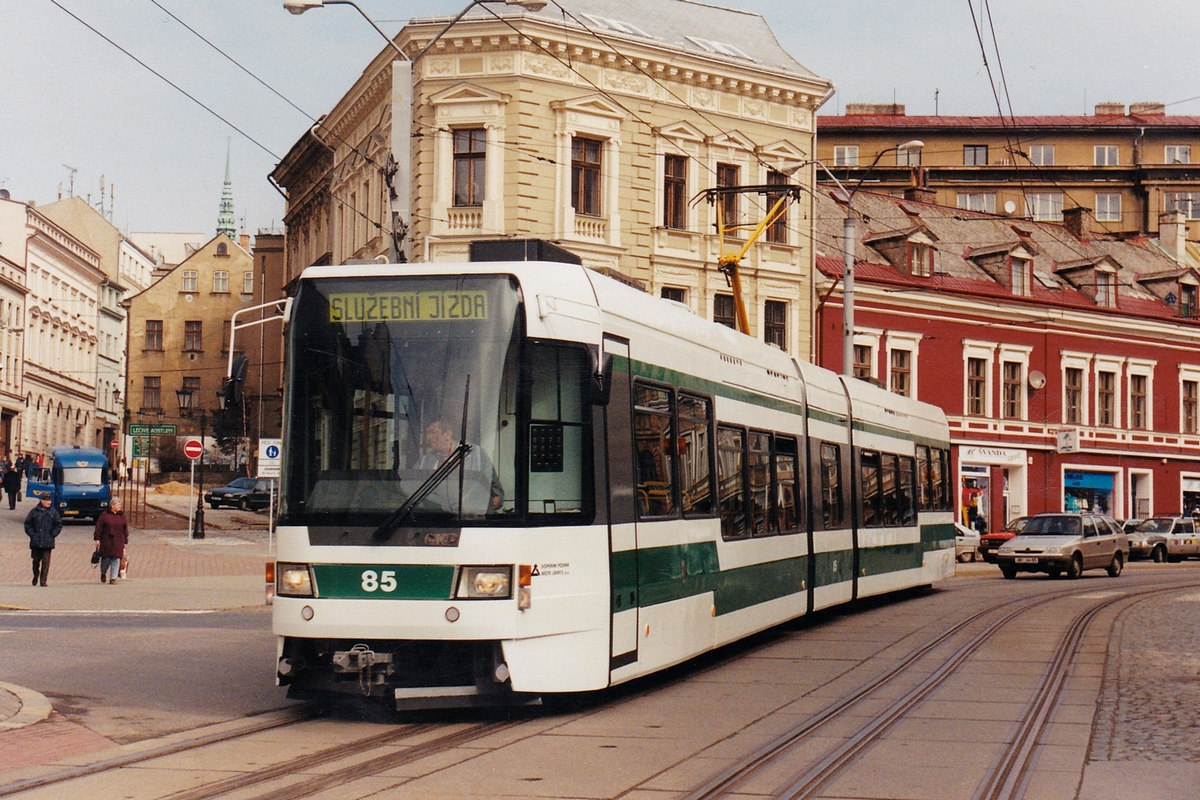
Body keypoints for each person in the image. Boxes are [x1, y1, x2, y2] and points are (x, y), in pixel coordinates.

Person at [416, 418, 504, 511]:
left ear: (448, 434)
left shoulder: (476, 454)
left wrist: (496, 500)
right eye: (428, 433)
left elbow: (494, 488)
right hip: (438, 515)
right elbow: (412, 487)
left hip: (470, 517)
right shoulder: (425, 460)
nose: (428, 437)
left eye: (433, 432)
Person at [24, 495, 62, 587]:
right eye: (46, 501)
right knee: (35, 561)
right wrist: (33, 535)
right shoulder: (34, 512)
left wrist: (52, 534)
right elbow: (27, 524)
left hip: (47, 542)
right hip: (36, 542)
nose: (48, 502)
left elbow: (58, 525)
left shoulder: (54, 512)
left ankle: (43, 580)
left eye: (49, 501)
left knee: (46, 562)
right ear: (41, 501)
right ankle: (36, 575)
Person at [94, 496, 129, 585]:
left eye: (120, 504)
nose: (120, 506)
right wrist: (97, 538)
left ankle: (113, 578)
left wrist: (125, 541)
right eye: (118, 504)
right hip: (106, 540)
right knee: (106, 559)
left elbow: (125, 528)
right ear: (112, 506)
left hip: (118, 540)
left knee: (116, 559)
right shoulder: (104, 515)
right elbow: (99, 527)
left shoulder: (121, 515)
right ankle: (103, 572)